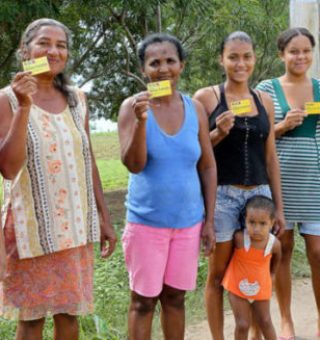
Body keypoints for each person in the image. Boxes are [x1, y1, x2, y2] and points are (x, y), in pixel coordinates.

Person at [0, 18, 116, 340]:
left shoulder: (78, 98)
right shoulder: (6, 100)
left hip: (75, 228)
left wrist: (104, 218)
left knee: (69, 314)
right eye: (44, 43)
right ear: (26, 50)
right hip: (30, 230)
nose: (53, 50)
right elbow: (8, 169)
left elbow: (87, 158)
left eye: (61, 45)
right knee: (32, 320)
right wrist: (24, 106)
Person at [118, 33, 217, 339]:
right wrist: (142, 121)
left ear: (181, 65)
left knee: (175, 298)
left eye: (170, 61)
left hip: (188, 223)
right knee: (143, 302)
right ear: (143, 69)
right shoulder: (131, 107)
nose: (163, 68)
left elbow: (207, 165)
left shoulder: (195, 108)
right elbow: (134, 164)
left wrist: (209, 221)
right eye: (154, 62)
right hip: (147, 224)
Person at [193, 31, 285, 340]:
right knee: (217, 277)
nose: (240, 63)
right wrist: (217, 133)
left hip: (260, 199)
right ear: (222, 59)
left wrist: (278, 209)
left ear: (255, 59)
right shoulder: (206, 97)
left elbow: (270, 157)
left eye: (246, 56)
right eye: (233, 56)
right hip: (222, 197)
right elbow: (197, 152)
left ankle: (257, 333)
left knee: (257, 269)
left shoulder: (265, 101)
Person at [257, 27, 320, 339]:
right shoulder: (266, 89)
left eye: (306, 51)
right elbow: (253, 134)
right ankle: (286, 320)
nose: (301, 57)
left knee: (318, 252)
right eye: (294, 51)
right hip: (278, 184)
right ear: (281, 54)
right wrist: (281, 126)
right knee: (283, 248)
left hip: (315, 184)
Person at [222, 195, 281, 339]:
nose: (256, 229)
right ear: (245, 221)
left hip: (261, 288)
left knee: (265, 321)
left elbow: (278, 258)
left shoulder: (274, 244)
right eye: (251, 222)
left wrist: (272, 274)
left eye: (262, 223)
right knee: (242, 324)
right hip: (237, 287)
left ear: (272, 223)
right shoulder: (239, 239)